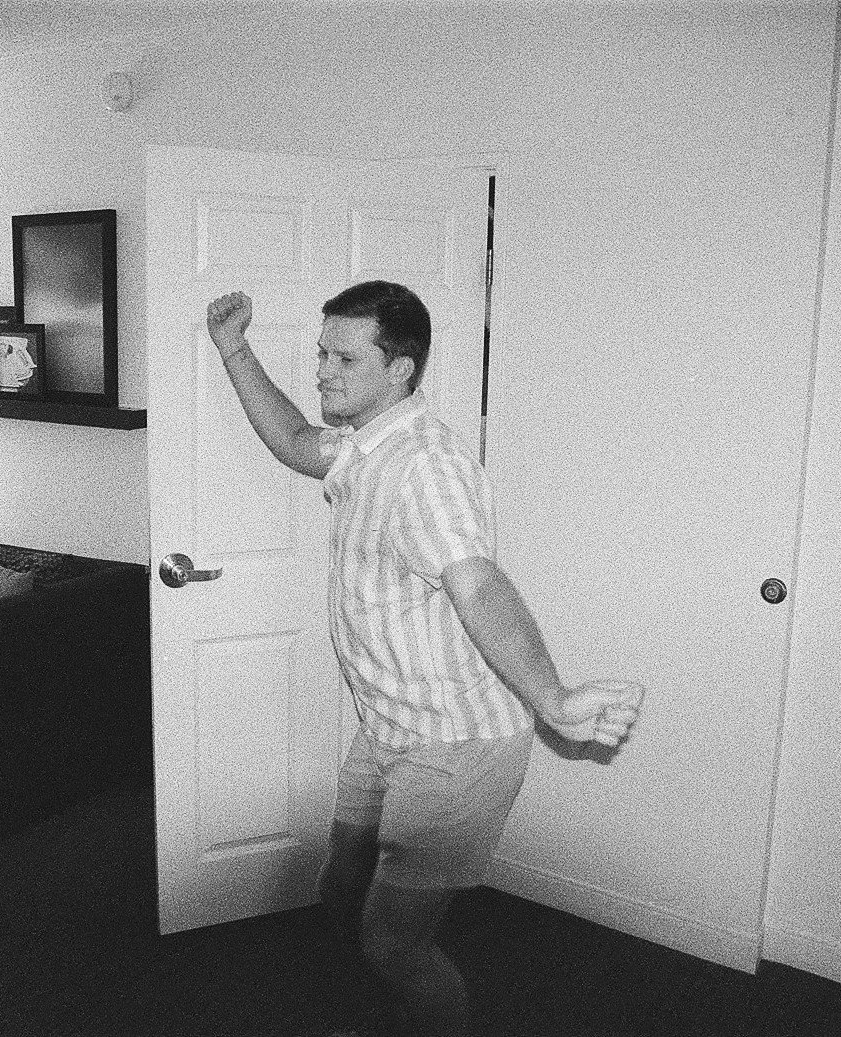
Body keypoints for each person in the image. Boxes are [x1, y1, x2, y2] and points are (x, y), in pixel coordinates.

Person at [206, 281, 641, 1037]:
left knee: (394, 941)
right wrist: (232, 348)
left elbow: (476, 582)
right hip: (388, 728)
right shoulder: (362, 445)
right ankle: (381, 1009)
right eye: (321, 353)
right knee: (339, 887)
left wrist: (553, 697)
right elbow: (294, 440)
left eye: (344, 357)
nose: (322, 370)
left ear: (400, 368)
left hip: (456, 743)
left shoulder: (425, 466)